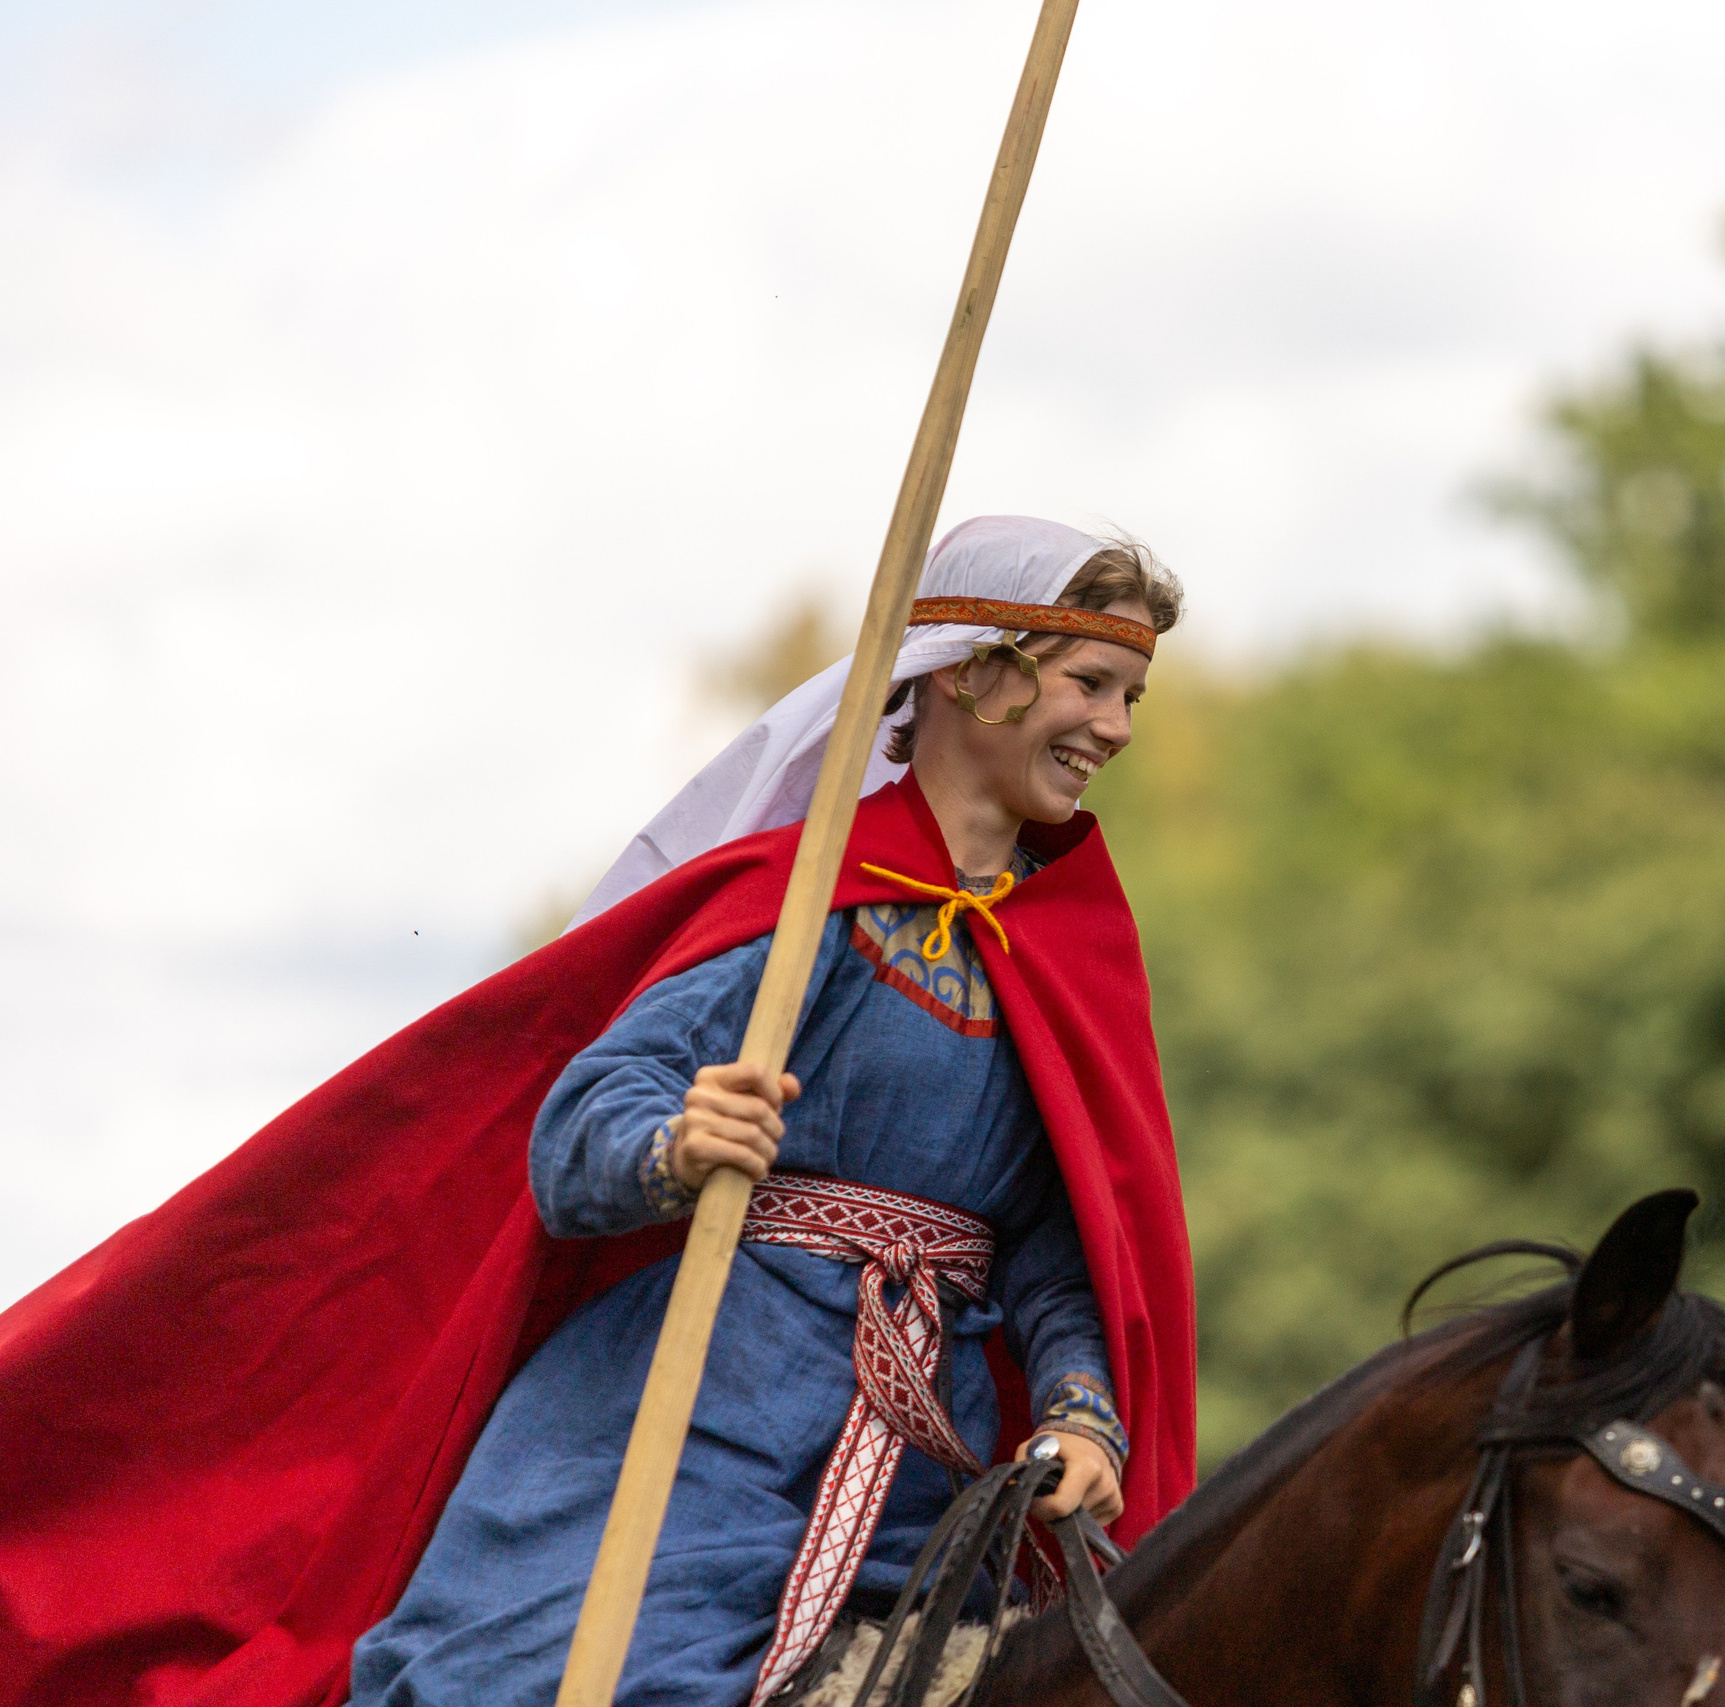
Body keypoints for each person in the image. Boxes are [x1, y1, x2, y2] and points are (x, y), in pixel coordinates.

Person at [0, 517, 1197, 1707]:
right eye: (1091, 682)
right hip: (684, 1429)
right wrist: (678, 1142)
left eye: (1130, 694)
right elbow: (579, 1130)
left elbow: (1056, 1248)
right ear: (976, 670)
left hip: (915, 1479)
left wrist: (1083, 1416)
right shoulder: (795, 903)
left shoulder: (1065, 948)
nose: (1116, 728)